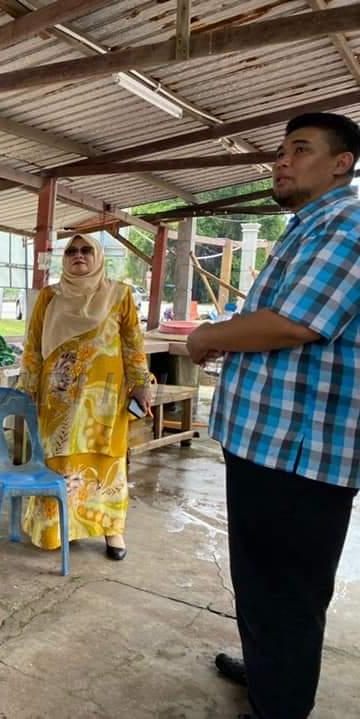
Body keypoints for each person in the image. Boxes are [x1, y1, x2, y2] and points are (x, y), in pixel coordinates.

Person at [186, 112, 360, 719]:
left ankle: (279, 703)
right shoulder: (310, 227)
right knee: (262, 582)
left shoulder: (348, 225)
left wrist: (209, 336)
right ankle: (267, 674)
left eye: (300, 149)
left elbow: (294, 323)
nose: (281, 161)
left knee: (287, 591)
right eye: (280, 151)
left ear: (343, 163)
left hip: (300, 453)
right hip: (267, 444)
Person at [19, 234, 152, 560]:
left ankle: (111, 530)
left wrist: (141, 384)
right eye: (72, 251)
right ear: (64, 259)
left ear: (98, 256)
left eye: (86, 250)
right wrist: (29, 389)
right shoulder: (49, 297)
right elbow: (33, 346)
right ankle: (59, 528)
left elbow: (133, 343)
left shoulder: (119, 294)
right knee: (61, 461)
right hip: (58, 399)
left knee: (106, 460)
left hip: (106, 400)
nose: (79, 256)